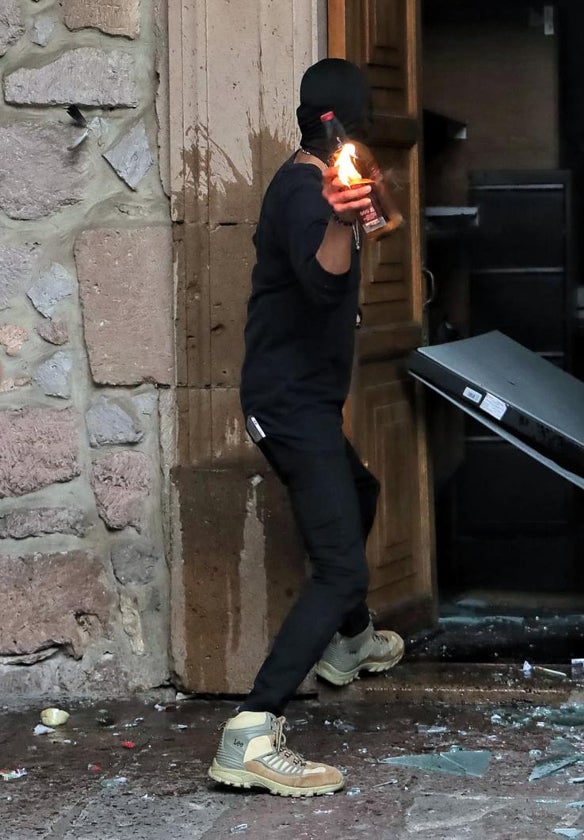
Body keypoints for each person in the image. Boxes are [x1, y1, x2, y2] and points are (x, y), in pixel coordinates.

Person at [207, 58, 406, 798]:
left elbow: (370, 231)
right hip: (289, 405)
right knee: (341, 567)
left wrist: (365, 209)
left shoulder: (327, 179)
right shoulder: (302, 193)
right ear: (347, 121)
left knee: (360, 490)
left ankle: (350, 642)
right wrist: (335, 216)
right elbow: (322, 285)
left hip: (304, 400)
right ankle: (251, 732)